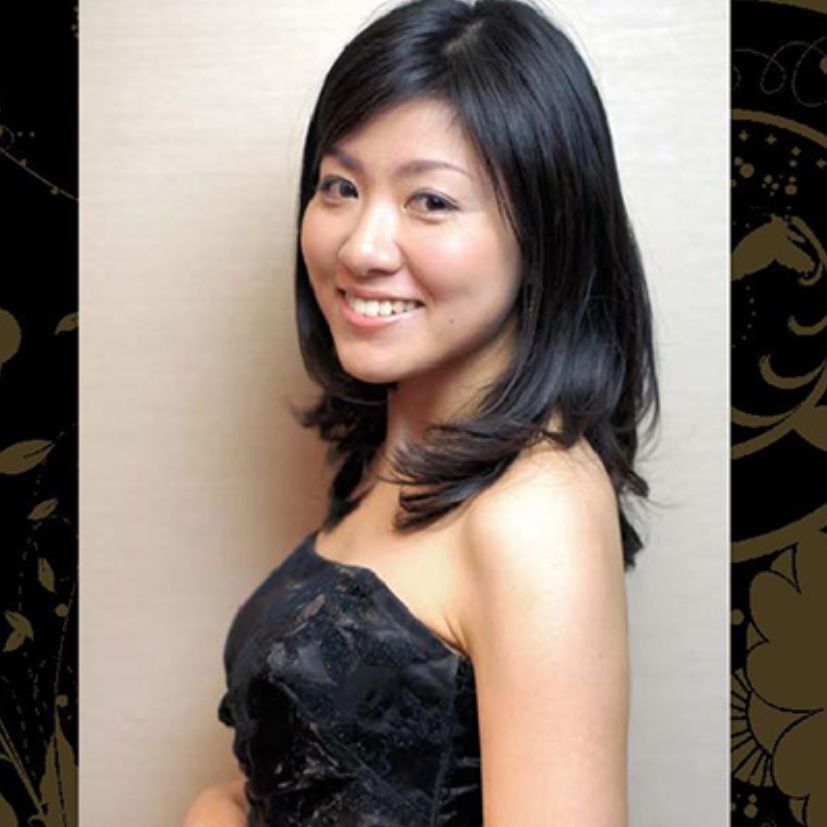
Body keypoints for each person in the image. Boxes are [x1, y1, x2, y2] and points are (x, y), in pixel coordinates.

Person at [183, 0, 660, 824]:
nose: (360, 247)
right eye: (340, 187)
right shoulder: (398, 449)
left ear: (544, 229)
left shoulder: (534, 509)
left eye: (430, 201)